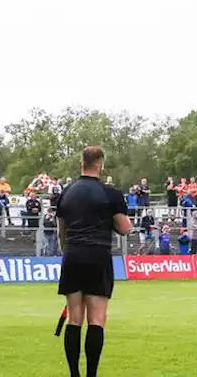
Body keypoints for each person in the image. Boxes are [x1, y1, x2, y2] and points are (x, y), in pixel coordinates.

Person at [57, 145, 132, 377]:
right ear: (101, 164)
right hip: (98, 256)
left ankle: (74, 375)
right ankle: (91, 375)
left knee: (74, 318)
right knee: (97, 319)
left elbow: (62, 231)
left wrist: (68, 251)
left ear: (82, 163)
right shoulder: (111, 194)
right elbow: (124, 228)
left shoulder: (66, 192)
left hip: (72, 254)